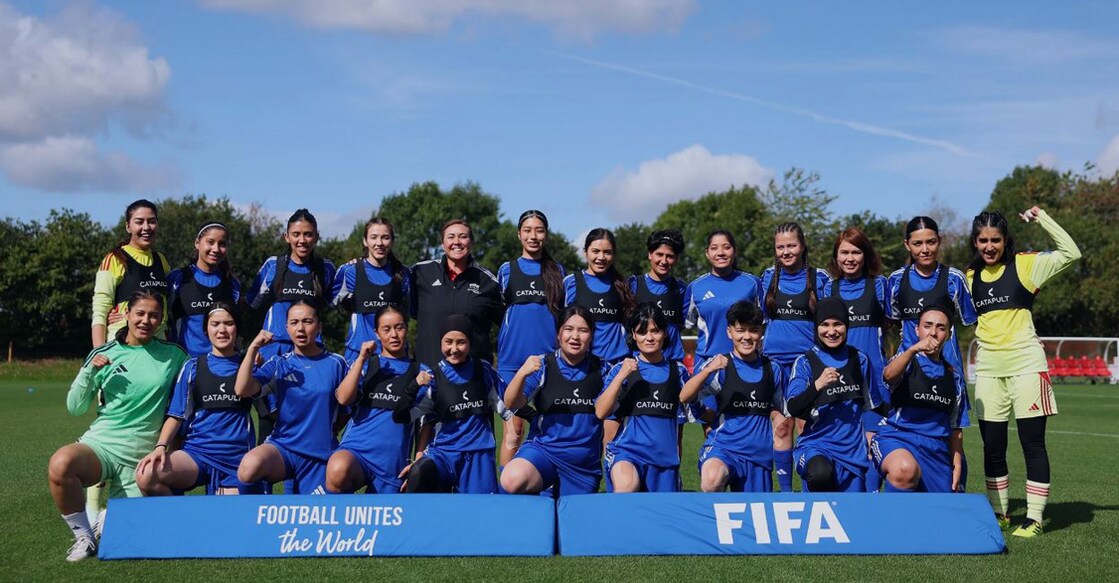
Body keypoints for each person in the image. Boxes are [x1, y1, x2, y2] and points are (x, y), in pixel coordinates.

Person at [966, 206, 1080, 537]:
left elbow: (1071, 253)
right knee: (992, 446)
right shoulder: (969, 278)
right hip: (988, 371)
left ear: (1006, 241)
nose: (989, 246)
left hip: (1027, 368)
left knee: (1033, 444)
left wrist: (1043, 218)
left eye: (996, 240)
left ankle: (1034, 518)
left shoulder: (1027, 266)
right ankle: (1000, 513)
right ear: (975, 242)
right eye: (983, 240)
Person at [48, 291, 187, 561]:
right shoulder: (104, 353)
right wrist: (89, 370)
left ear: (161, 320)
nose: (146, 320)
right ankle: (84, 538)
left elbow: (187, 397)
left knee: (132, 539)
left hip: (143, 457)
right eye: (140, 313)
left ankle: (107, 518)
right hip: (103, 444)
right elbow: (75, 406)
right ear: (127, 314)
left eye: (154, 315)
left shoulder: (175, 356)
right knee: (60, 464)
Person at [135, 302, 264, 496]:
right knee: (147, 474)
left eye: (228, 323)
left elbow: (269, 411)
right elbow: (176, 415)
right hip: (197, 455)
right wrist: (160, 447)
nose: (222, 330)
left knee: (227, 523)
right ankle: (181, 522)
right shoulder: (192, 367)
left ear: (237, 328)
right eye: (215, 324)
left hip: (236, 459)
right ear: (206, 330)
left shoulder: (249, 366)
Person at [235, 300, 348, 495]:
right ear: (286, 328)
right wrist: (253, 347)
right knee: (248, 467)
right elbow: (242, 390)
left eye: (307, 321)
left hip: (320, 454)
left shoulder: (337, 364)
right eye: (294, 323)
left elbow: (348, 409)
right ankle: (256, 519)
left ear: (319, 326)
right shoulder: (279, 364)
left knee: (311, 516)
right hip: (283, 448)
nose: (301, 328)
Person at [500, 306, 608, 496]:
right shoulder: (544, 364)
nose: (575, 336)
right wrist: (522, 373)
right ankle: (543, 482)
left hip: (582, 465)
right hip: (544, 451)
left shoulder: (603, 369)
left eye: (583, 330)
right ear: (558, 334)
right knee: (511, 478)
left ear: (591, 336)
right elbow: (511, 403)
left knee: (574, 522)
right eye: (568, 329)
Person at [681, 301, 785, 492]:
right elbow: (685, 396)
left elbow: (779, 410)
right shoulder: (721, 366)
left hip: (758, 456)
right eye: (740, 330)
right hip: (724, 449)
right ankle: (709, 522)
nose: (746, 337)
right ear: (729, 332)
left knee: (752, 518)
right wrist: (708, 369)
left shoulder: (773, 369)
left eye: (753, 330)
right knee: (712, 479)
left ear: (761, 332)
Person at [326, 305, 431, 494]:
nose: (394, 335)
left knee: (384, 519)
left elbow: (426, 421)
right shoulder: (367, 365)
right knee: (337, 470)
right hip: (357, 451)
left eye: (399, 327)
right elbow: (342, 398)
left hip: (392, 463)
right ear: (376, 333)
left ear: (406, 328)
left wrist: (418, 460)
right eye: (386, 329)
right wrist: (360, 359)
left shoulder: (421, 372)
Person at [403, 315, 512, 494]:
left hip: (478, 454)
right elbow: (410, 416)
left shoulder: (483, 371)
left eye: (461, 342)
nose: (454, 349)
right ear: (440, 342)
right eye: (448, 342)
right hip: (443, 453)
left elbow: (510, 410)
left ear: (470, 343)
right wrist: (419, 456)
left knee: (480, 515)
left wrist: (507, 462)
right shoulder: (433, 376)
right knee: (420, 474)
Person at [784, 297, 883, 493]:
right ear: (816, 327)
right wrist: (818, 385)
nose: (831, 331)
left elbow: (874, 406)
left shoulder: (859, 360)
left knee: (853, 517)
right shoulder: (805, 362)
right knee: (821, 474)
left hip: (853, 453)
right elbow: (793, 407)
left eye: (838, 324)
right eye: (825, 325)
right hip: (816, 448)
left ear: (846, 326)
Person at [760, 222, 830, 492]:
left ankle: (808, 491)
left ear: (802, 246)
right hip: (776, 365)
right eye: (781, 247)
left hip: (807, 366)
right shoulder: (766, 278)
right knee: (781, 427)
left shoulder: (819, 278)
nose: (786, 251)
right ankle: (786, 494)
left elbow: (827, 323)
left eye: (791, 245)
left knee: (806, 428)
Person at [821, 227, 891, 491]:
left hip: (873, 380)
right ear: (836, 256)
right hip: (838, 381)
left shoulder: (880, 285)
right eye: (844, 252)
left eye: (856, 251)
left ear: (866, 254)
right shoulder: (829, 288)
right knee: (843, 444)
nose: (850, 258)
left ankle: (870, 501)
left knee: (872, 444)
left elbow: (894, 323)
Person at [495, 210, 566, 469]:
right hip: (511, 363)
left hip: (547, 362)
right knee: (513, 434)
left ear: (546, 235)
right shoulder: (506, 270)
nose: (533, 236)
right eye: (527, 230)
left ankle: (547, 485)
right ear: (519, 234)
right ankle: (508, 492)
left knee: (551, 430)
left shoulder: (558, 271)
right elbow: (498, 312)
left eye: (538, 230)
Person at [596, 304, 690, 493]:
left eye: (655, 331)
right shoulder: (622, 369)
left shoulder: (678, 372)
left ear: (664, 333)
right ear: (634, 335)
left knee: (661, 518)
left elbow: (690, 413)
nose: (649, 337)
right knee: (627, 487)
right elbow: (600, 412)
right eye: (642, 332)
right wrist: (622, 375)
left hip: (665, 461)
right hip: (629, 453)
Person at [875, 305, 967, 493]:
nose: (933, 333)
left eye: (941, 328)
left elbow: (955, 427)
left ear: (948, 335)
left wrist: (957, 464)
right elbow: (888, 375)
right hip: (897, 438)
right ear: (917, 330)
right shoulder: (906, 361)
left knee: (942, 515)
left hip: (935, 449)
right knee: (904, 470)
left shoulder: (954, 377)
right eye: (927, 326)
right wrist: (913, 349)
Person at [246, 209, 337, 362]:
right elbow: (251, 304)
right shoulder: (273, 265)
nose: (302, 240)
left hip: (311, 349)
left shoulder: (326, 268)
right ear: (287, 237)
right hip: (274, 348)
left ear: (316, 237)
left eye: (308, 234)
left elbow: (339, 301)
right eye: (296, 234)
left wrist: (358, 265)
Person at [410, 220, 503, 368]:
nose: (457, 242)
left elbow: (507, 326)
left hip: (473, 379)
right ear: (442, 243)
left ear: (471, 242)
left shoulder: (488, 282)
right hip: (428, 375)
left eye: (463, 236)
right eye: (451, 237)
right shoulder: (420, 273)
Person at [92, 199, 171, 348]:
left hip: (159, 349)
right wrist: (98, 352)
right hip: (123, 347)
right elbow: (100, 310)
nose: (146, 227)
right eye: (139, 222)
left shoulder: (161, 260)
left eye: (152, 221)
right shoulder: (115, 259)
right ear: (128, 226)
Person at [330, 217, 411, 362]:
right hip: (358, 353)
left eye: (385, 238)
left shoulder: (403, 273)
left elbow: (411, 310)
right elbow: (326, 303)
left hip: (394, 355)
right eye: (374, 237)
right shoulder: (349, 271)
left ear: (392, 241)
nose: (379, 243)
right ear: (365, 241)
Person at [685, 230, 762, 366]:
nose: (720, 252)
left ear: (735, 251)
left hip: (744, 364)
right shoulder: (695, 287)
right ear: (707, 253)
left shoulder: (753, 283)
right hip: (707, 364)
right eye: (714, 248)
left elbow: (764, 323)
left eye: (726, 247)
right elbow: (684, 324)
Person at [168, 223, 243, 356]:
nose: (216, 249)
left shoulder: (233, 284)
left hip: (220, 365)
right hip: (184, 363)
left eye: (222, 244)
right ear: (197, 243)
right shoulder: (177, 278)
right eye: (210, 242)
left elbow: (236, 330)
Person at [630, 230, 689, 363]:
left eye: (670, 256)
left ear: (677, 259)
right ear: (650, 254)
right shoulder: (634, 285)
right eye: (659, 254)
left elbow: (682, 323)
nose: (664, 261)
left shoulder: (681, 289)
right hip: (640, 363)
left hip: (672, 363)